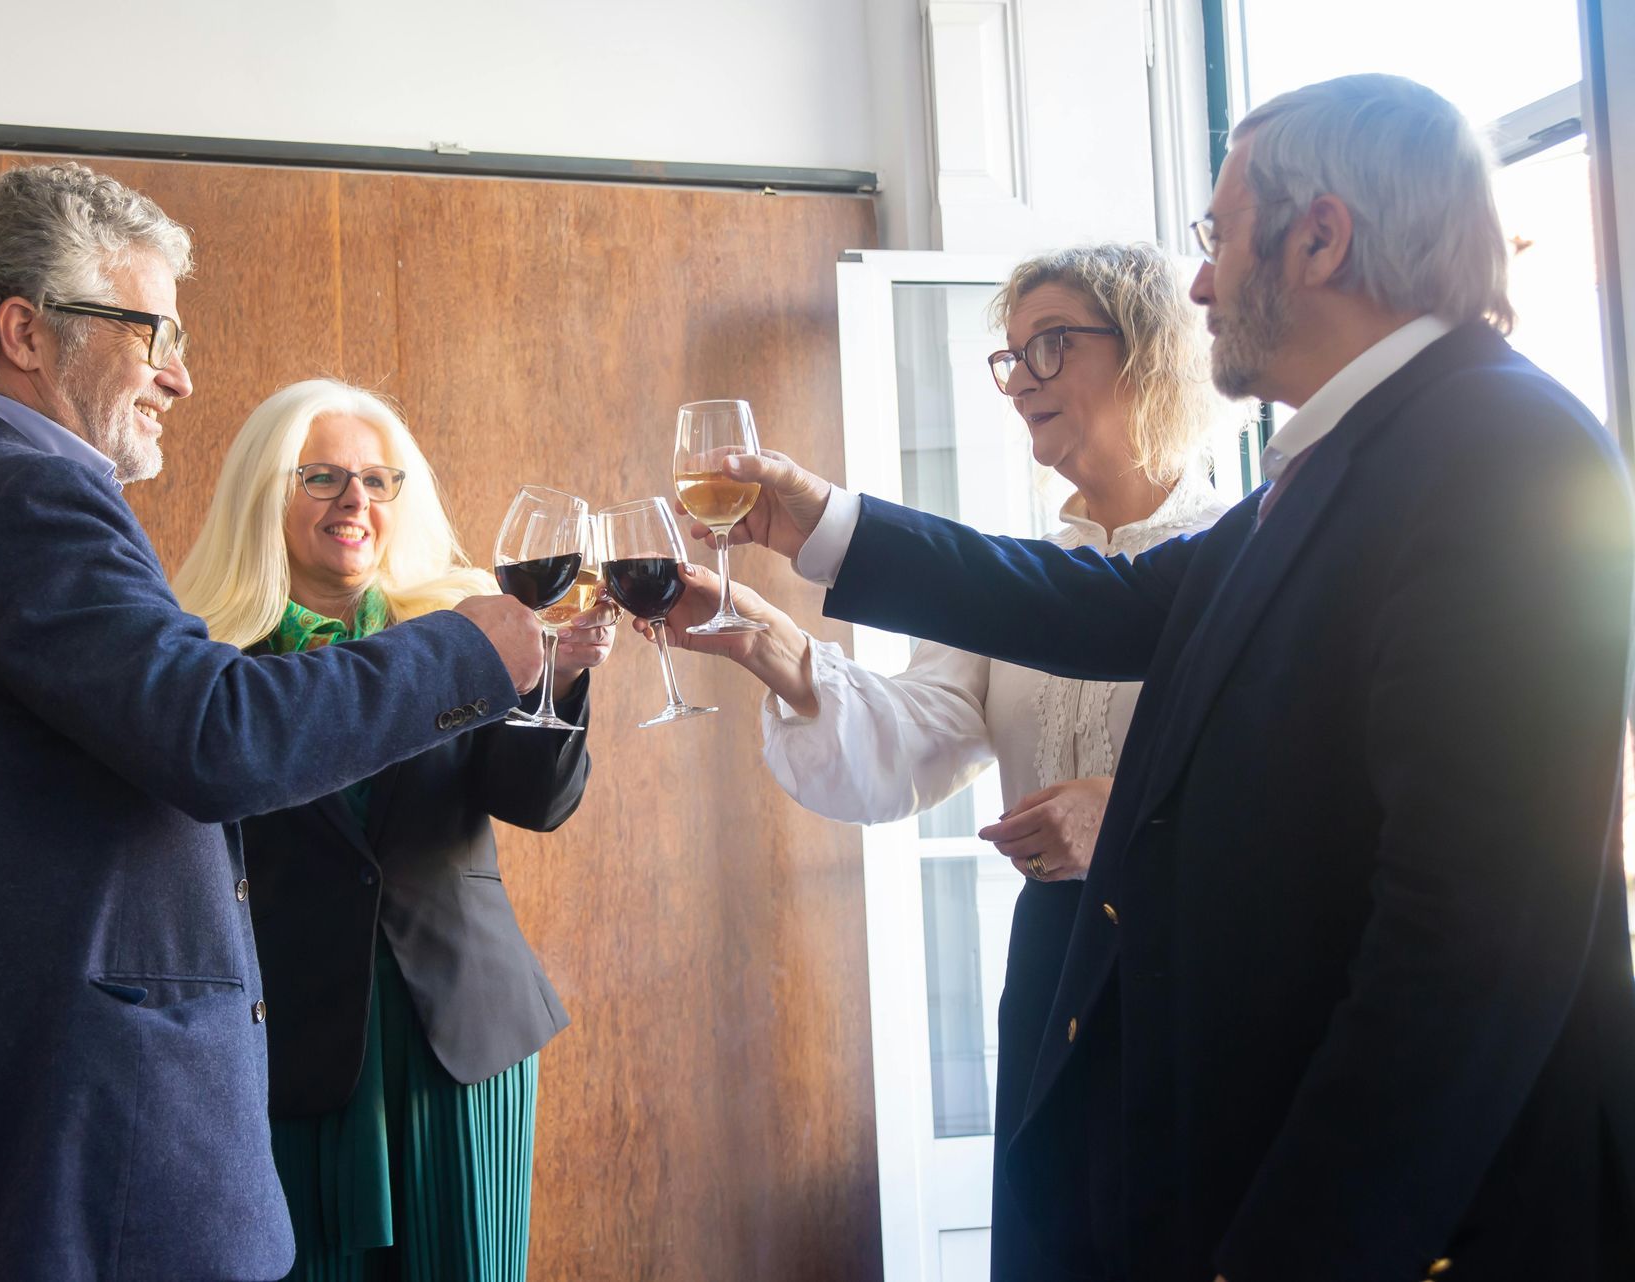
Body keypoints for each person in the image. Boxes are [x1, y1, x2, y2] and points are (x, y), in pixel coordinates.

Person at [706, 75, 1635, 1280]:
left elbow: (1469, 946)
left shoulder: (1504, 449)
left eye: (1216, 236)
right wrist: (819, 520)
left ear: (1320, 237)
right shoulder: (1342, 461)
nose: (1199, 282)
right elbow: (1103, 602)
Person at [0, 164, 546, 1282]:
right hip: (63, 1164)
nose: (180, 376)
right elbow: (218, 734)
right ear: (27, 331)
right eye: (153, 332)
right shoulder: (27, 497)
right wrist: (474, 648)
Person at [653, 244, 1225, 1278]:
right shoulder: (1021, 578)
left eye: (1054, 343)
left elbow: (1308, 780)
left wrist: (1128, 815)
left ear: (1152, 351)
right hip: (1055, 968)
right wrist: (769, 643)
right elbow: (914, 741)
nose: (1026, 380)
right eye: (1012, 358)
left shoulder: (1245, 550)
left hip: (1210, 973)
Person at [175, 378, 611, 1281]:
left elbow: (536, 802)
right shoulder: (206, 665)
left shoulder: (460, 630)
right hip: (292, 1043)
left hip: (462, 1036)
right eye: (324, 476)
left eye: (379, 480)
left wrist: (557, 684)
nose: (356, 502)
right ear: (268, 493)